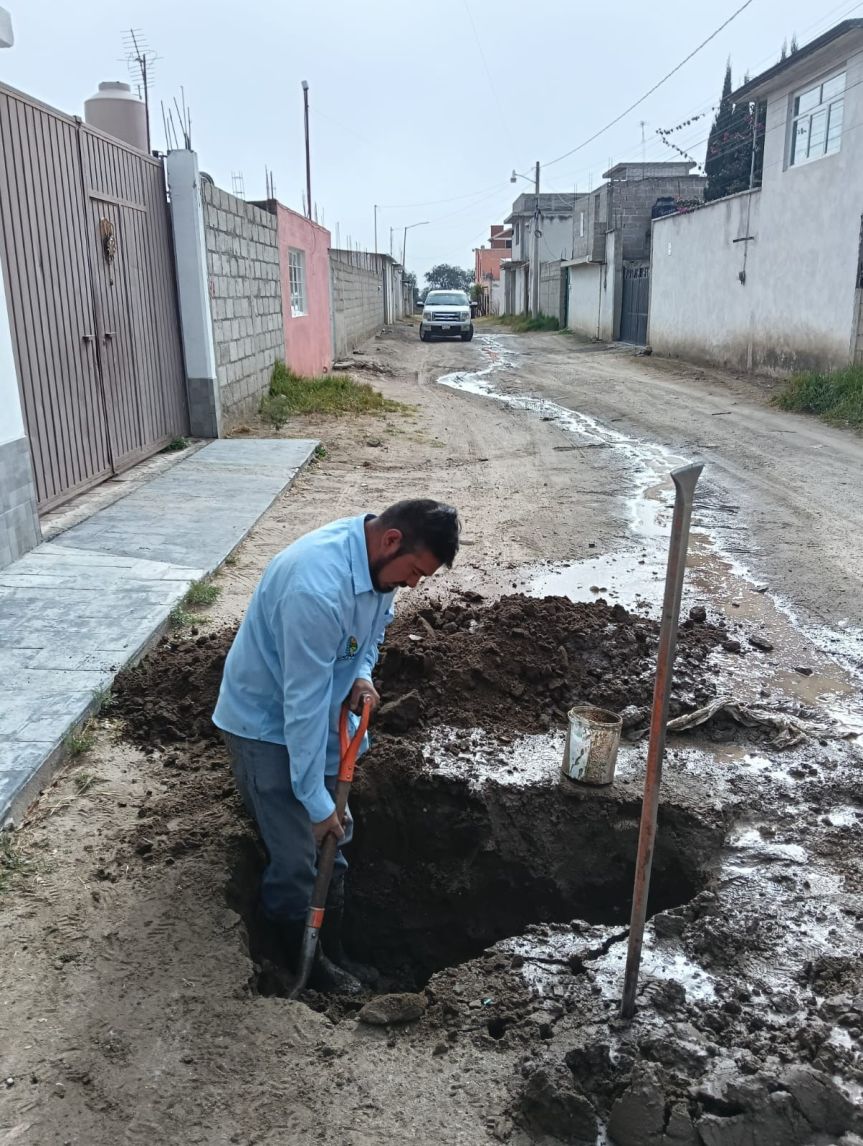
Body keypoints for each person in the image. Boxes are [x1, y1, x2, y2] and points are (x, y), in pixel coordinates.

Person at [213, 499, 461, 992]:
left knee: (333, 843)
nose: (412, 585)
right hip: (266, 727)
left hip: (318, 716)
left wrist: (362, 674)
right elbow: (298, 708)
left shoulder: (377, 571)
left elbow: (369, 635)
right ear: (391, 540)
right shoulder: (315, 588)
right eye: (413, 572)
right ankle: (299, 964)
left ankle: (336, 948)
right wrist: (315, 802)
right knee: (296, 860)